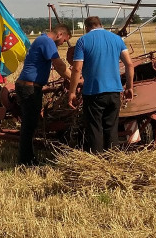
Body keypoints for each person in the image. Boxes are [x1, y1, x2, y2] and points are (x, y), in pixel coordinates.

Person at [67, 16, 134, 152]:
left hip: (93, 93)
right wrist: (129, 87)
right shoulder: (117, 39)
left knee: (95, 129)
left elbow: (77, 68)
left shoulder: (83, 41)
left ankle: (97, 162)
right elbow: (129, 64)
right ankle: (112, 158)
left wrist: (72, 92)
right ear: (101, 25)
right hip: (114, 92)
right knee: (111, 129)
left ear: (87, 27)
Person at [16, 24, 72, 165]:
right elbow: (59, 65)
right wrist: (76, 78)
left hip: (30, 86)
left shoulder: (42, 39)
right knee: (29, 125)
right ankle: (26, 161)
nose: (62, 43)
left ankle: (27, 158)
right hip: (29, 88)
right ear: (59, 34)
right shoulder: (47, 41)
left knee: (31, 124)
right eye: (64, 40)